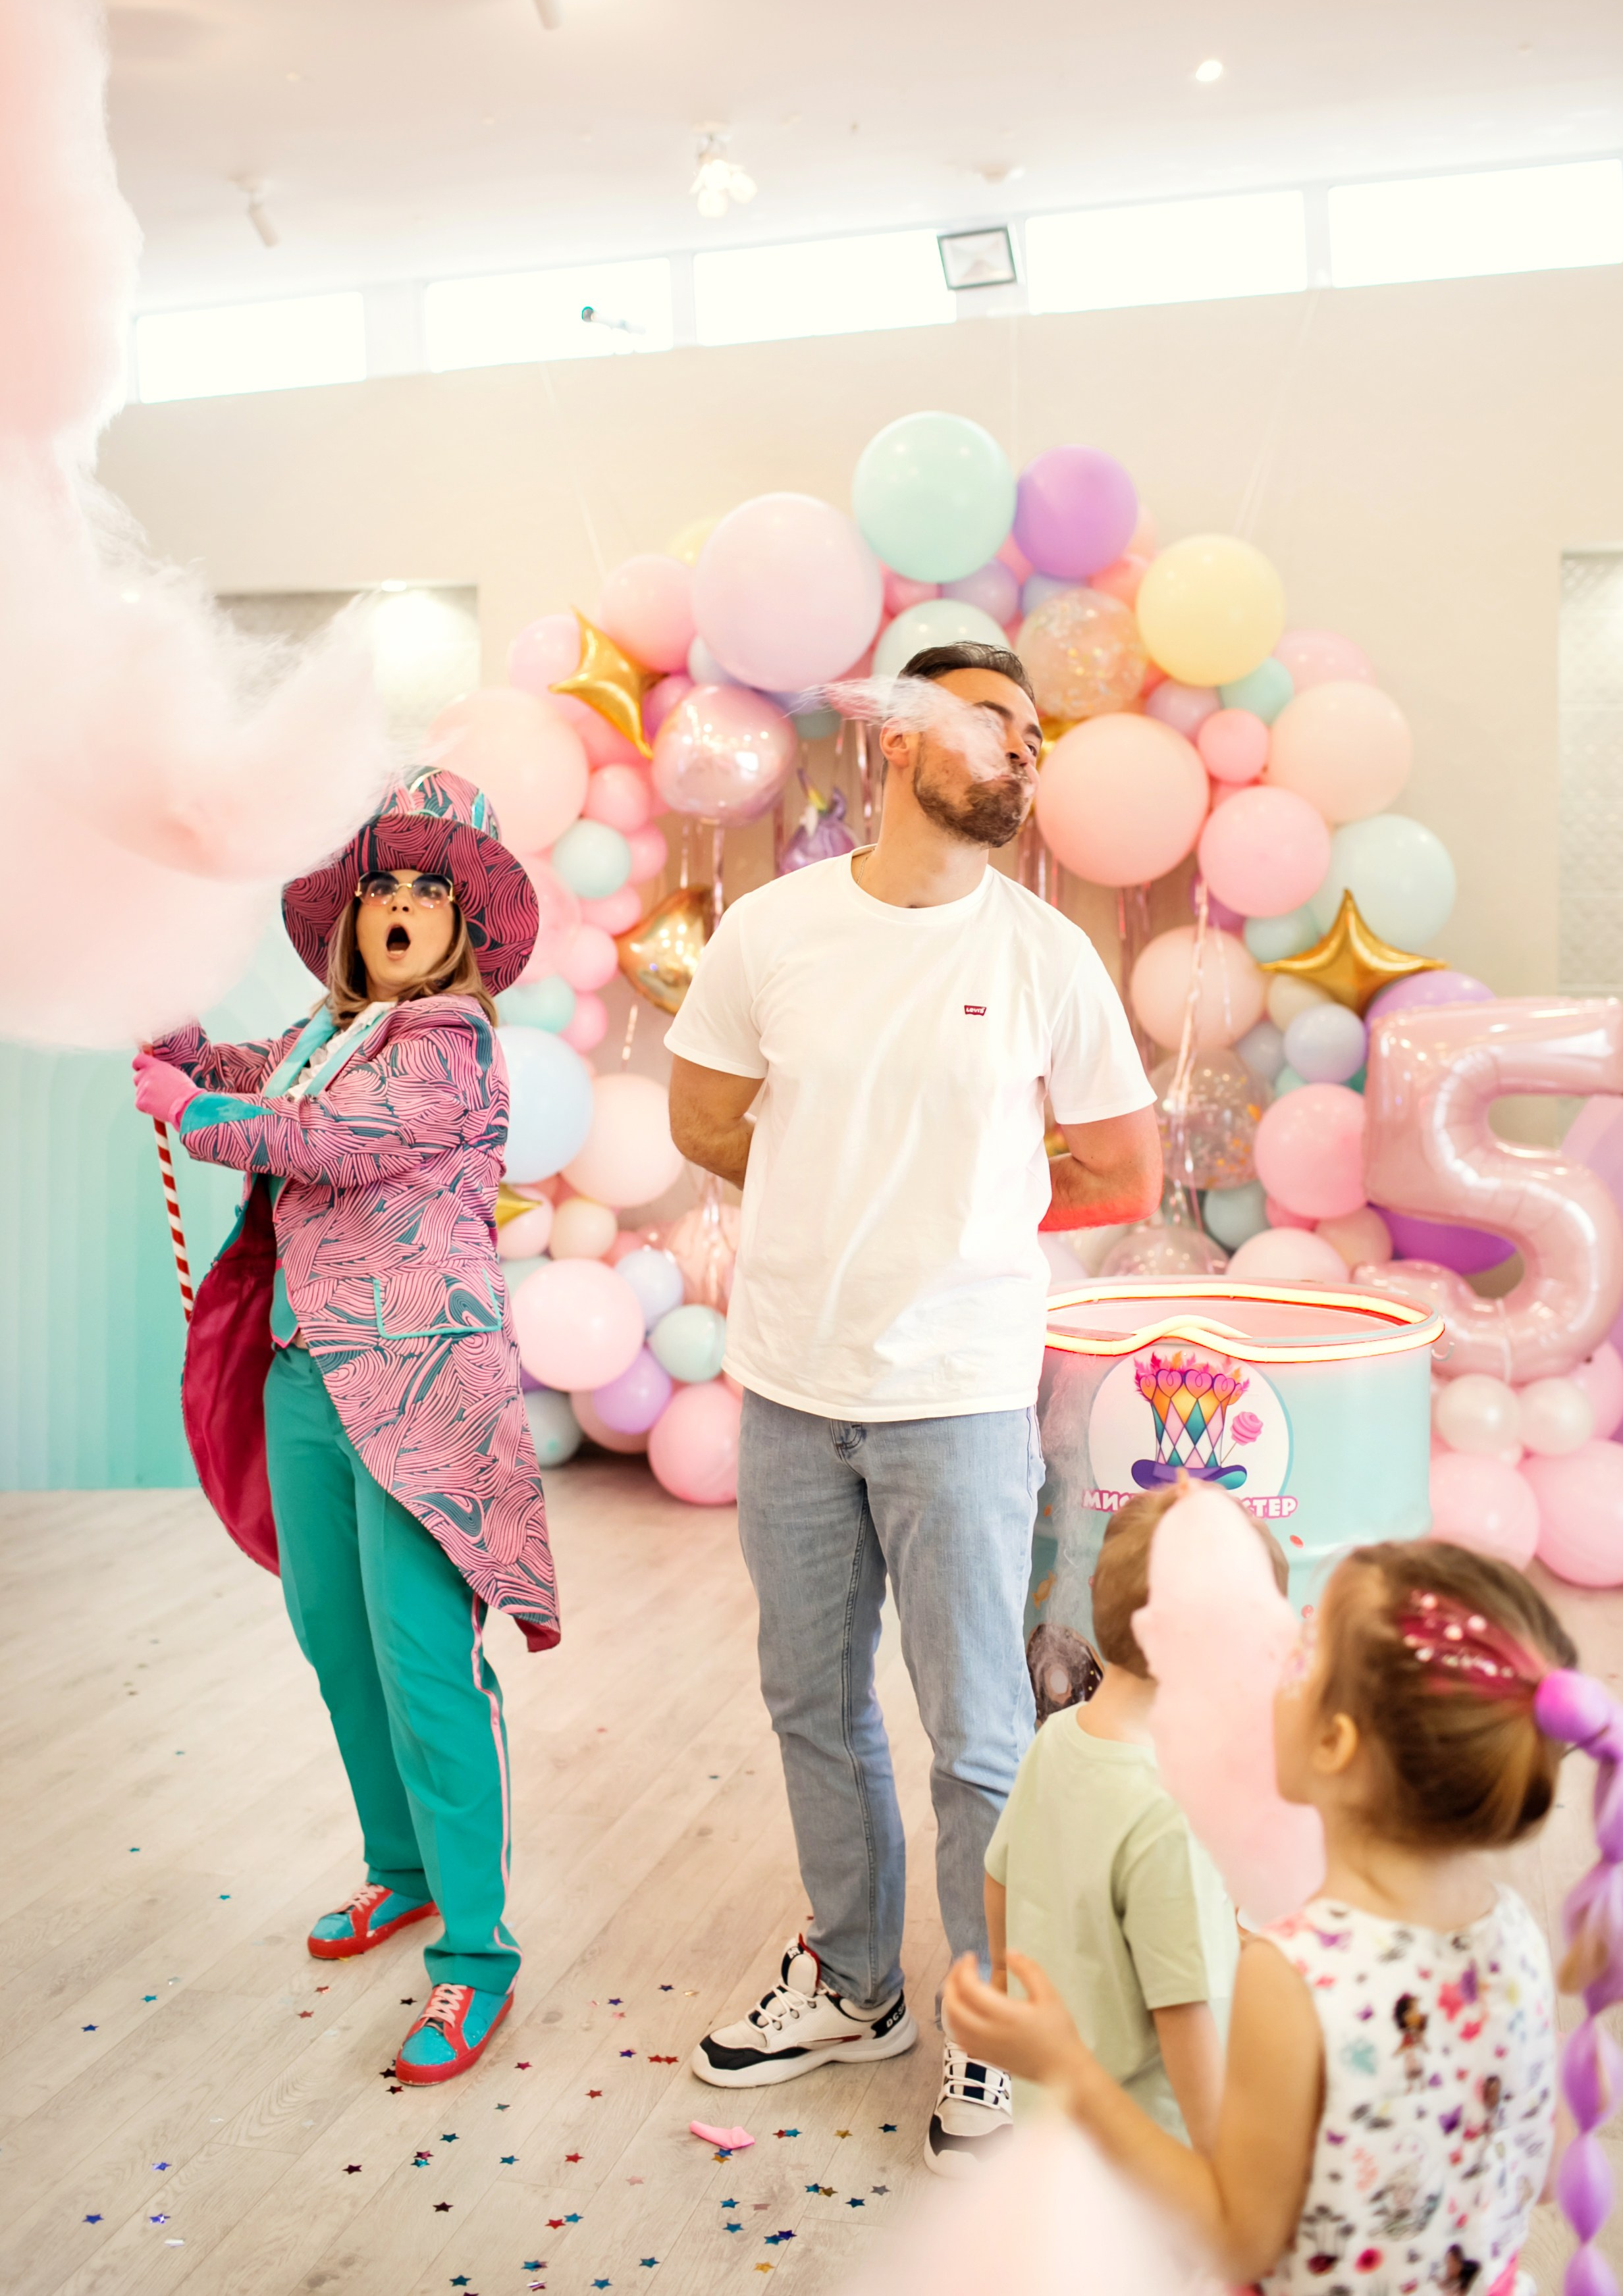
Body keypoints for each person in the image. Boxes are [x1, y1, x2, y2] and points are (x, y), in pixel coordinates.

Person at [665, 642, 1161, 2175]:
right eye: (998, 726)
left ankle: (994, 2020)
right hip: (791, 1397)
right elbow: (704, 1116)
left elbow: (1123, 1171)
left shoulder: (1040, 957)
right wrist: (837, 1213)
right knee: (812, 1704)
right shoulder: (771, 929)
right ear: (893, 742)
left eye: (1036, 736)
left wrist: (964, 1226)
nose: (1026, 754)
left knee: (978, 1735)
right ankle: (857, 1981)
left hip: (957, 1399)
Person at [130, 768, 556, 2087]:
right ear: (352, 911)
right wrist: (172, 1028)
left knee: (428, 1664)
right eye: (383, 883)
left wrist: (199, 1113)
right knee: (336, 1640)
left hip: (423, 1393)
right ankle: (403, 1871)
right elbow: (251, 1075)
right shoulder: (326, 1031)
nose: (399, 906)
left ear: (463, 927)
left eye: (431, 890)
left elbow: (318, 1139)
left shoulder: (449, 1048)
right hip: (305, 1377)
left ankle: (477, 1958)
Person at [945, 1538, 1623, 2294]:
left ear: (1335, 1743)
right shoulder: (1513, 1935)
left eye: (1304, 1655)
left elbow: (1235, 2238)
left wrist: (1069, 2066)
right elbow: (1548, 2166)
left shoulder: (1292, 1979)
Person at [984, 1492, 1260, 2156]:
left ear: (1096, 1593)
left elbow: (998, 1873)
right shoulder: (1172, 1813)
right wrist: (1225, 2166)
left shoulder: (1057, 1740)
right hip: (1147, 2141)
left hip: (1047, 2112)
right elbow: (1184, 2013)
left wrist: (1004, 1983)